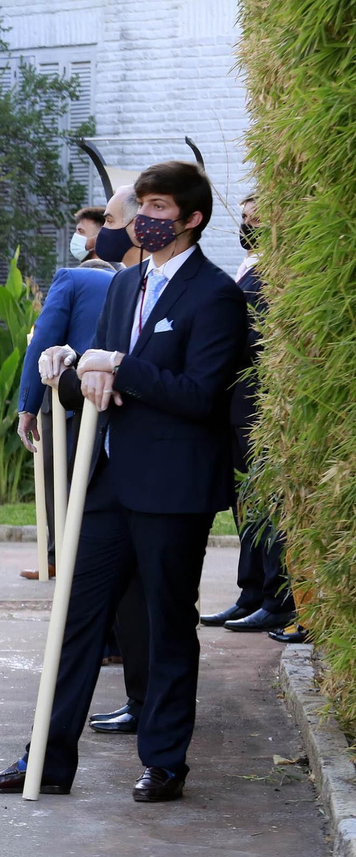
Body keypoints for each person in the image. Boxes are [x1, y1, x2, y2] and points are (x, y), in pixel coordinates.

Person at [0, 160, 247, 803]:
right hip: (105, 481)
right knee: (76, 621)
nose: (144, 220)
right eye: (141, 207)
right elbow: (88, 380)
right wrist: (64, 368)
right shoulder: (124, 285)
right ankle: (46, 761)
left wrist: (118, 366)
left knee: (165, 625)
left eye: (158, 209)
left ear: (191, 219)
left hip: (172, 489)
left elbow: (201, 395)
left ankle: (164, 762)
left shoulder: (214, 295)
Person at [200, 195, 297, 634]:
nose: (247, 225)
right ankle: (251, 591)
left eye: (257, 218)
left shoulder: (279, 272)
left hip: (262, 406)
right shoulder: (248, 268)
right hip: (240, 407)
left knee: (269, 504)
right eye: (244, 217)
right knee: (249, 506)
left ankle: (277, 597)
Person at [16, 240, 119, 579]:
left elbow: (43, 339)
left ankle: (58, 558)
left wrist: (27, 407)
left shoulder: (72, 278)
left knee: (58, 479)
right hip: (121, 397)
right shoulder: (131, 282)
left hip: (71, 399)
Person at [95, 185, 146, 269]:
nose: (104, 228)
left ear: (138, 226)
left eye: (110, 220)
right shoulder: (124, 276)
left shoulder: (155, 276)